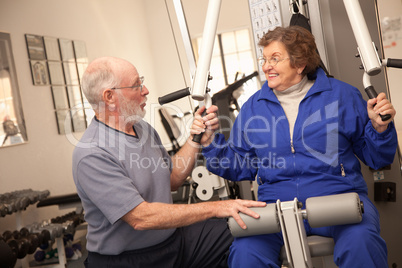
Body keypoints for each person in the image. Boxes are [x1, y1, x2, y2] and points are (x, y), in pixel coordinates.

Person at [193, 26, 397, 267]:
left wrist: (379, 129)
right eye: (264, 59)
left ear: (300, 64)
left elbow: (377, 158)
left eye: (275, 59)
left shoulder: (342, 96)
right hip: (275, 209)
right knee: (245, 253)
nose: (266, 66)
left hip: (337, 199)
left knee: (361, 242)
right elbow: (240, 167)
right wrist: (209, 143)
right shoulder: (253, 107)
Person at [72, 56, 266, 268]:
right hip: (127, 261)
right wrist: (218, 207)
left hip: (174, 242)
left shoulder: (142, 128)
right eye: (137, 85)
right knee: (227, 216)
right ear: (109, 97)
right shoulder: (92, 154)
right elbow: (141, 218)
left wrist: (196, 138)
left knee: (243, 230)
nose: (145, 90)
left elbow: (172, 178)